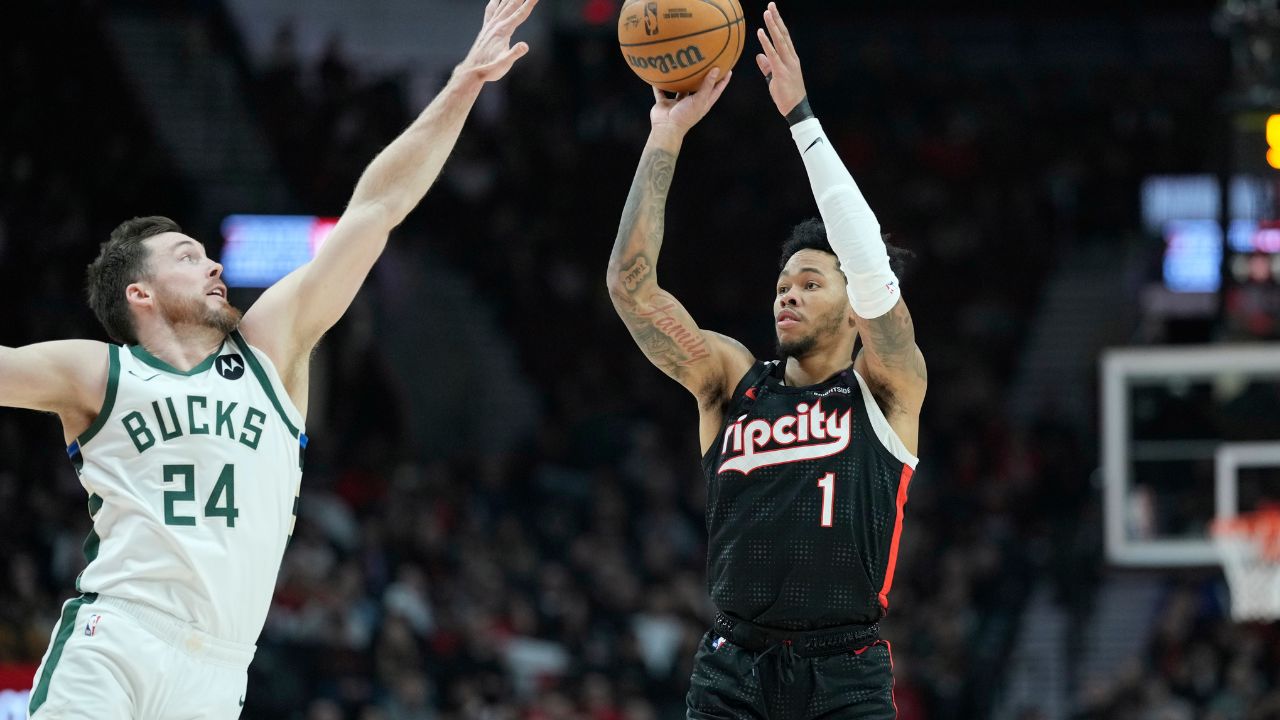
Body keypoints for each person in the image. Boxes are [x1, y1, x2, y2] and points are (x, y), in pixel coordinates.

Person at [2, 1, 538, 717]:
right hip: (119, 640)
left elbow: (375, 207)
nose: (215, 265)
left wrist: (465, 82)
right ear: (141, 293)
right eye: (189, 258)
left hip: (223, 670)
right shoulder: (99, 373)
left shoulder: (268, 347)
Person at [605, 3, 926, 718]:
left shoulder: (885, 388)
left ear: (852, 308)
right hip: (732, 667)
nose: (789, 294)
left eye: (812, 282)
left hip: (845, 672)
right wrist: (664, 136)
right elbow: (629, 288)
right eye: (783, 284)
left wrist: (802, 119)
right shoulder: (729, 380)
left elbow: (874, 273)